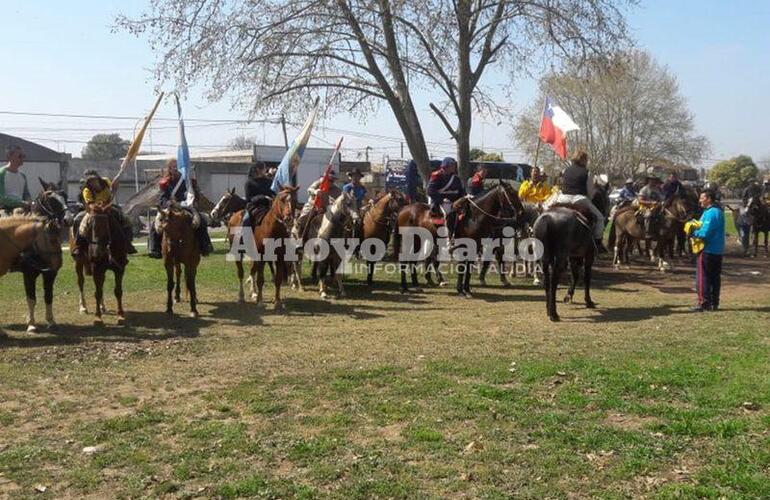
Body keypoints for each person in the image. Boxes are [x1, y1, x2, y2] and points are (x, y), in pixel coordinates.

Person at [149, 158, 213, 258]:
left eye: (176, 166)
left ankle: (205, 245)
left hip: (185, 207)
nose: (174, 168)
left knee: (201, 221)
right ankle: (155, 249)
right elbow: (162, 199)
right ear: (169, 169)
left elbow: (195, 195)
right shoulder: (165, 182)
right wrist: (168, 203)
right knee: (155, 224)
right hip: (170, 208)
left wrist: (190, 200)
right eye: (172, 167)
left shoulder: (188, 181)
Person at [550, 151, 606, 251]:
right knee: (600, 218)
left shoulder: (565, 171)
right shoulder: (588, 173)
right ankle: (597, 242)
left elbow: (562, 185)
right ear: (583, 160)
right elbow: (590, 192)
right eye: (586, 159)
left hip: (563, 198)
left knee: (547, 209)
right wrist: (590, 198)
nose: (587, 161)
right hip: (579, 199)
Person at [72, 169, 137, 256]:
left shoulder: (106, 181)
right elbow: (90, 204)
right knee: (78, 219)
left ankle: (128, 243)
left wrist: (115, 187)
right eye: (90, 180)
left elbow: (112, 189)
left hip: (109, 207)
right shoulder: (86, 189)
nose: (93, 182)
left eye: (94, 179)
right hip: (94, 210)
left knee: (125, 219)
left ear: (98, 178)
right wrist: (97, 207)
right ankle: (79, 246)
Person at [688, 189, 725, 312]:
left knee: (703, 277)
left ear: (709, 199)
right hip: (717, 250)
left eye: (702, 198)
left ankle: (703, 303)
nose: (699, 200)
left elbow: (705, 232)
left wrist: (693, 232)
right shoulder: (716, 211)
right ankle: (714, 303)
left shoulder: (711, 212)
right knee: (715, 277)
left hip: (707, 250)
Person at [292, 170, 342, 239]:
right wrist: (315, 191)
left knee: (337, 222)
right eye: (329, 179)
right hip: (312, 206)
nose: (330, 182)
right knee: (303, 218)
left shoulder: (337, 190)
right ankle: (299, 234)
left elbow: (337, 201)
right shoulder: (319, 183)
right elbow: (309, 190)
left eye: (332, 180)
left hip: (326, 208)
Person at [0, 144, 31, 213]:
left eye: (23, 156)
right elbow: (1, 198)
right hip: (4, 210)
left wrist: (29, 202)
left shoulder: (23, 175)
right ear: (9, 157)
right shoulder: (1, 174)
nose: (22, 158)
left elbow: (26, 194)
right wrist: (22, 203)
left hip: (21, 209)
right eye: (20, 156)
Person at [243, 162, 274, 227]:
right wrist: (264, 197)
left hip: (269, 206)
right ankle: (244, 236)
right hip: (254, 207)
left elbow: (273, 192)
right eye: (264, 168)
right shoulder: (249, 183)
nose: (266, 170)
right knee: (245, 220)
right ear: (258, 169)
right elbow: (249, 199)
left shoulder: (269, 181)